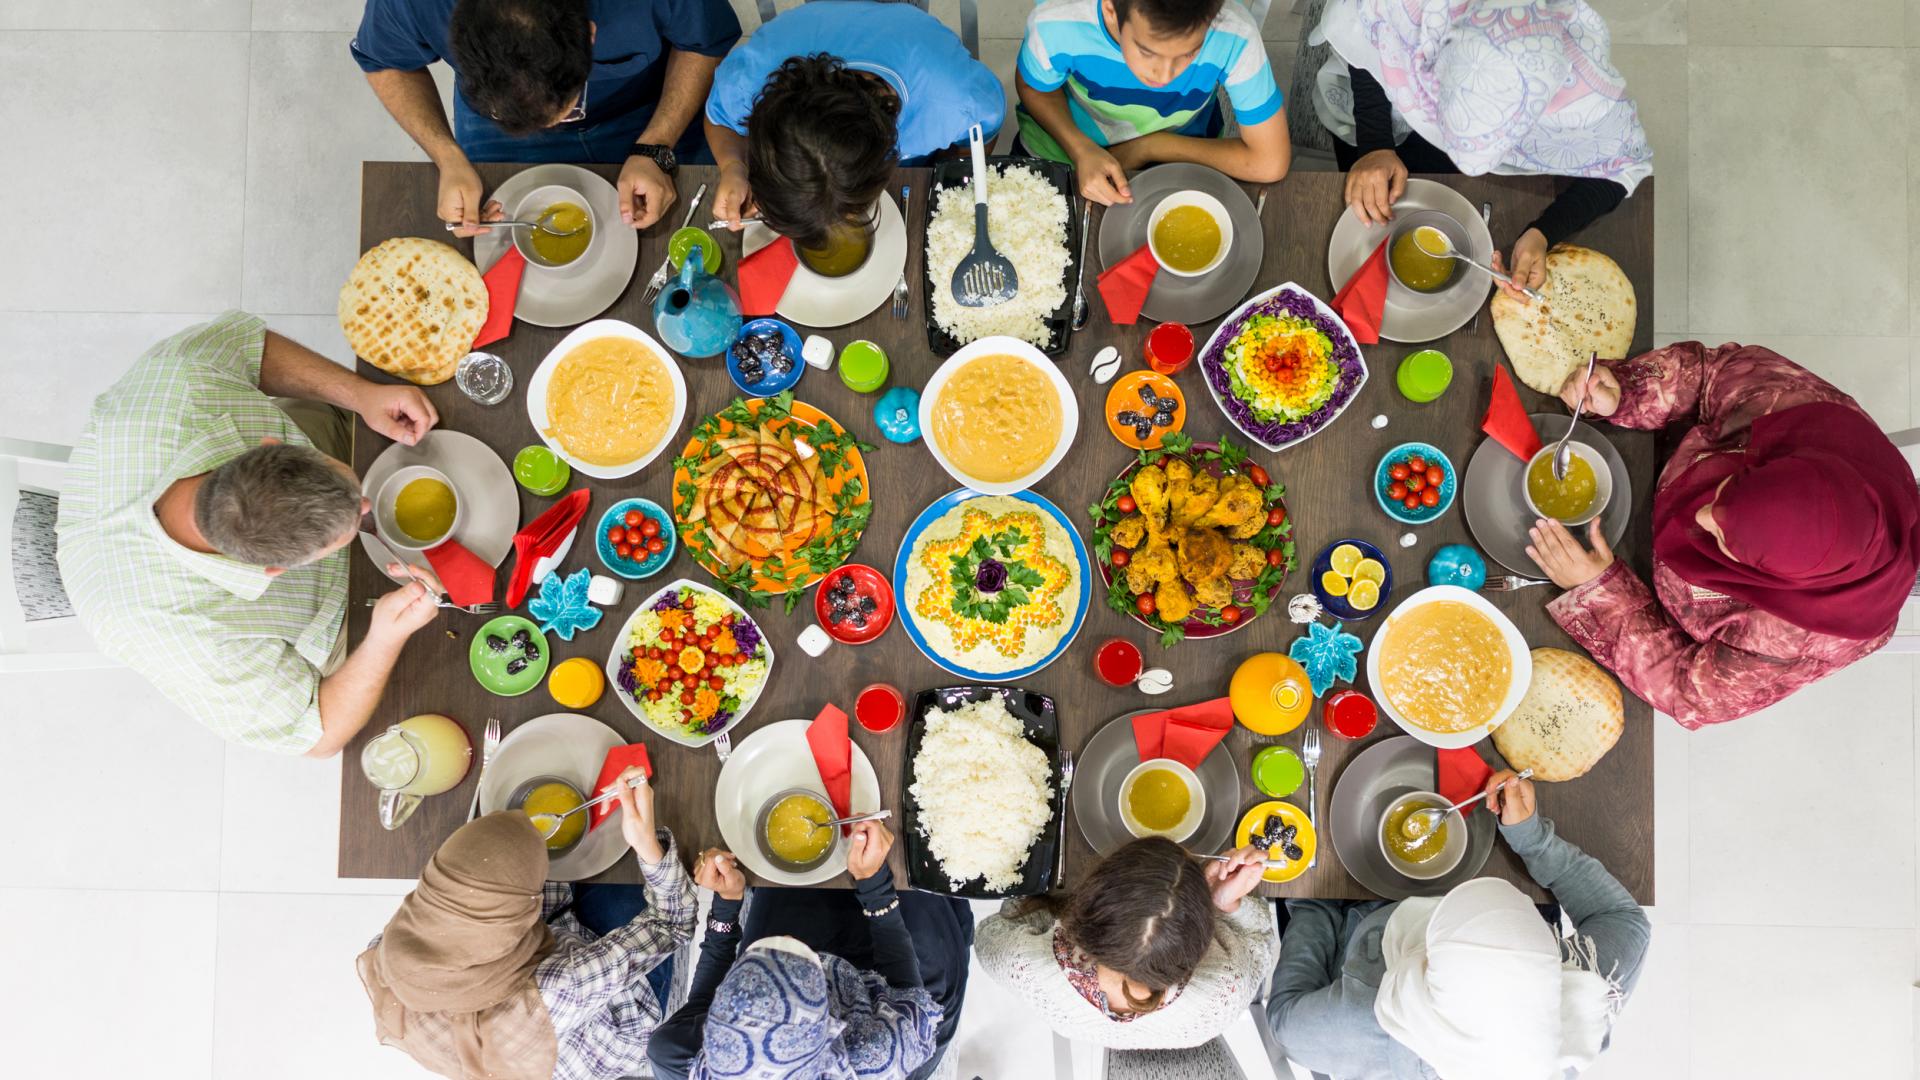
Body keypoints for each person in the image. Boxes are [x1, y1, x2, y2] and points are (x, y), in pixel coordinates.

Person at [55, 312, 444, 756]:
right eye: (356, 521)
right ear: (275, 569)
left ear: (270, 445)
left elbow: (248, 346)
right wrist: (384, 637)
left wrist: (362, 394)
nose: (369, 507)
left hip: (286, 436)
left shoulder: (178, 383)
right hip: (333, 623)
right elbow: (316, 734)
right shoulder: (183, 639)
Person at [1524, 342, 1920, 728]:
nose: (1702, 516)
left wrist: (1600, 593)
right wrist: (1626, 393)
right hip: (1645, 462)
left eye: (1728, 542)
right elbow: (1709, 374)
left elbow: (1687, 692)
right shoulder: (1803, 409)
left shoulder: (1802, 638)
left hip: (1640, 596)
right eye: (1731, 488)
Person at [1267, 771, 1650, 1079]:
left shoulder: (1360, 1018)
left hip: (1355, 910)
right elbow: (1624, 919)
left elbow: (1284, 1021)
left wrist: (1316, 892)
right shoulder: (1589, 995)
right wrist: (1532, 840)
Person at [360, 768, 696, 1080]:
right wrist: (646, 843)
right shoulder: (554, 991)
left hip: (546, 960)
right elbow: (672, 923)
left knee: (568, 855)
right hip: (610, 1014)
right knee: (633, 870)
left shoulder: (390, 951)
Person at [1309, 0, 1652, 297]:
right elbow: (1364, 32)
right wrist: (1375, 147)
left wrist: (1543, 232)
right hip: (1388, 109)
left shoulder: (1588, 95)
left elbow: (1621, 170)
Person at [351, 0, 742, 233]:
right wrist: (447, 157)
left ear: (589, 34)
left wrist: (656, 146)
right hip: (491, 122)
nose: (552, 130)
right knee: (490, 243)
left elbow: (703, 43)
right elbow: (385, 63)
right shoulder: (412, 4)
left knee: (703, 221)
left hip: (645, 103)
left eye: (564, 108)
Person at [648, 822, 970, 1080]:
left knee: (790, 879)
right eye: (794, 947)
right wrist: (875, 886)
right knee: (916, 863)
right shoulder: (882, 1056)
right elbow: (903, 983)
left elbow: (702, 1001)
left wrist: (727, 903)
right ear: (826, 1026)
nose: (788, 936)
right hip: (888, 999)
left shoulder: (673, 1055)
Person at [704, 1, 1005, 250]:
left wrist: (945, 177)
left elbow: (979, 138)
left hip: (914, 44)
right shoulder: (748, 82)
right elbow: (719, 120)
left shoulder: (957, 102)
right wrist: (733, 166)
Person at [973, 838, 1275, 1049]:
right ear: (1202, 941)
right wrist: (1223, 902)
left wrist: (1033, 903)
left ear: (1087, 899)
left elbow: (989, 935)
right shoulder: (1225, 990)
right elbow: (1259, 937)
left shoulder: (1029, 968)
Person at [1016, 0, 1291, 205]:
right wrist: (1080, 149)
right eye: (1147, 51)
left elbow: (1270, 161)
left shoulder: (1233, 31)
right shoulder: (1058, 19)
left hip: (1180, 153)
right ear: (1111, 8)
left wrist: (1150, 146)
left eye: (1190, 53)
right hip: (1063, 149)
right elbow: (1033, 87)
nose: (1165, 75)